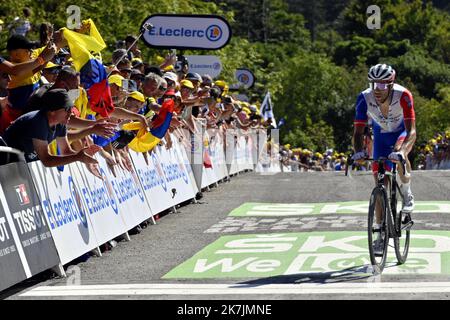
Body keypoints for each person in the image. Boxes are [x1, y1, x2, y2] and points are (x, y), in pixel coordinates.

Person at [352, 63, 416, 254]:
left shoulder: (404, 95)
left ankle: (406, 192)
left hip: (400, 133)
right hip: (380, 136)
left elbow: (412, 130)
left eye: (381, 85)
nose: (377, 90)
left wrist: (403, 151)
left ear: (390, 84)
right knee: (380, 183)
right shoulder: (364, 98)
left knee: (398, 155)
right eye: (373, 85)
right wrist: (358, 152)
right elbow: (358, 132)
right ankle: (380, 232)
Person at [2, 89, 98, 167]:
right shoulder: (38, 122)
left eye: (71, 109)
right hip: (5, 162)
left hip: (17, 163)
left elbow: (65, 151)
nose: (71, 113)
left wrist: (83, 156)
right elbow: (47, 160)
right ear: (52, 111)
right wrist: (77, 157)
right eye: (67, 109)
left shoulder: (60, 122)